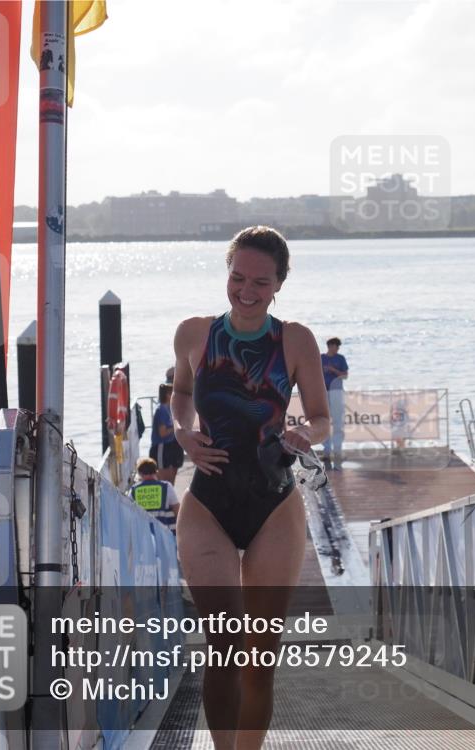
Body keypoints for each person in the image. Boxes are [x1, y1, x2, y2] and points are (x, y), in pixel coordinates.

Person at [170, 226, 330, 750]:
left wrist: (305, 434)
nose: (246, 290)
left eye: (260, 281)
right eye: (237, 276)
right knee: (223, 647)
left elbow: (323, 417)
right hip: (209, 502)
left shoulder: (296, 339)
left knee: (260, 657)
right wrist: (181, 432)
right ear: (227, 272)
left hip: (274, 501)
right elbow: (183, 391)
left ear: (279, 283)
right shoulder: (194, 333)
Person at [130, 457, 180, 534]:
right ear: (156, 471)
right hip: (166, 534)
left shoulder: (134, 490)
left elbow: (130, 513)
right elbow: (177, 509)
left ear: (140, 473)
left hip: (145, 535)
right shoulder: (166, 487)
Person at [320, 337, 348, 469]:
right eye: (335, 346)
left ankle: (338, 451)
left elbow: (345, 375)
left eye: (338, 347)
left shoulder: (340, 358)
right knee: (324, 421)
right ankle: (326, 451)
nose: (336, 349)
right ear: (329, 346)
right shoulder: (321, 358)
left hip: (336, 391)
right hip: (323, 391)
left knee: (338, 421)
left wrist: (333, 370)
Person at [150, 382, 184, 485]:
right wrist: (176, 426)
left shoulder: (171, 409)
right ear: (168, 395)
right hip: (162, 446)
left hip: (172, 445)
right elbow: (162, 433)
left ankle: (170, 498)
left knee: (171, 480)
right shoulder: (161, 410)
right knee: (163, 481)